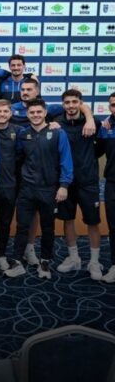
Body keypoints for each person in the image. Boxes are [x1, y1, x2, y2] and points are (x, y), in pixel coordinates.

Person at [5, 99, 73, 279]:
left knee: (48, 228)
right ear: (27, 114)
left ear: (45, 113)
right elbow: (18, 158)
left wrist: (64, 185)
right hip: (27, 188)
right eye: (32, 112)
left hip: (49, 189)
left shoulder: (58, 133)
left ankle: (45, 263)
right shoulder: (23, 134)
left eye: (38, 112)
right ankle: (17, 262)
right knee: (22, 227)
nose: (35, 115)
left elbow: (66, 160)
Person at [55, 90, 103, 280]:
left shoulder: (94, 123)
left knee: (93, 222)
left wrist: (90, 118)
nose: (71, 105)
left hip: (88, 181)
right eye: (67, 102)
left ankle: (94, 261)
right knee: (67, 220)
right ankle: (73, 257)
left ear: (80, 103)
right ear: (63, 105)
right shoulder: (57, 123)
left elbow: (100, 149)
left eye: (75, 102)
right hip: (65, 182)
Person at [0, 100, 22, 271]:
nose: (2, 114)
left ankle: (0, 254)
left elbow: (21, 155)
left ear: (10, 113)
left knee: (5, 222)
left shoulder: (18, 131)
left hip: (9, 185)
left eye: (5, 111)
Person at [96, 92, 115, 283]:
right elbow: (94, 151)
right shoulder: (106, 127)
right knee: (113, 226)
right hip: (112, 182)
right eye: (113, 105)